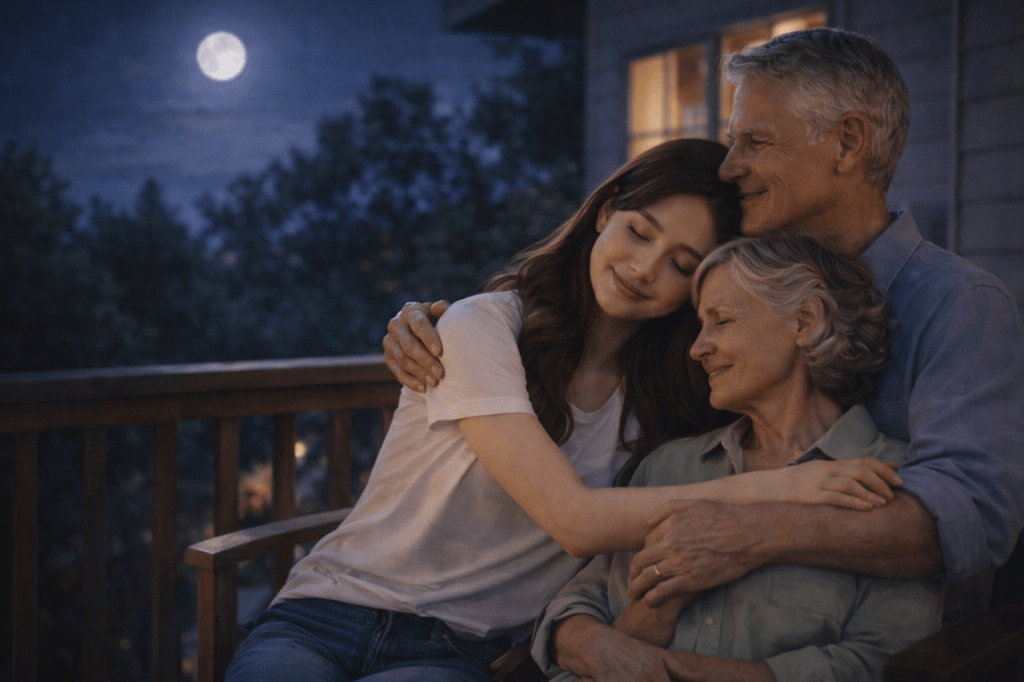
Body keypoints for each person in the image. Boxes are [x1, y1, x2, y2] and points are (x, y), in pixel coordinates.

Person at [383, 28, 1024, 626]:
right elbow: (613, 318)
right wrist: (448, 324)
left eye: (756, 141)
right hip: (682, 623)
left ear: (848, 143)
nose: (728, 166)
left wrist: (750, 531)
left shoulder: (959, 305)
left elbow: (965, 518)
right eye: (732, 138)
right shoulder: (712, 296)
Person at [225, 139, 899, 682]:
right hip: (328, 610)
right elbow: (574, 522)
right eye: (639, 232)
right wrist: (784, 488)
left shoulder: (671, 407)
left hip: (455, 652)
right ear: (605, 213)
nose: (642, 268)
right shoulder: (483, 327)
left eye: (680, 264)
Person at [535, 234, 942, 682]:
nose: (698, 347)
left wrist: (662, 667)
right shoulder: (670, 466)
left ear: (804, 321)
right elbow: (575, 607)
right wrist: (599, 646)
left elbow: (877, 664)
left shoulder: (888, 484)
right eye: (700, 325)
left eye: (722, 321)